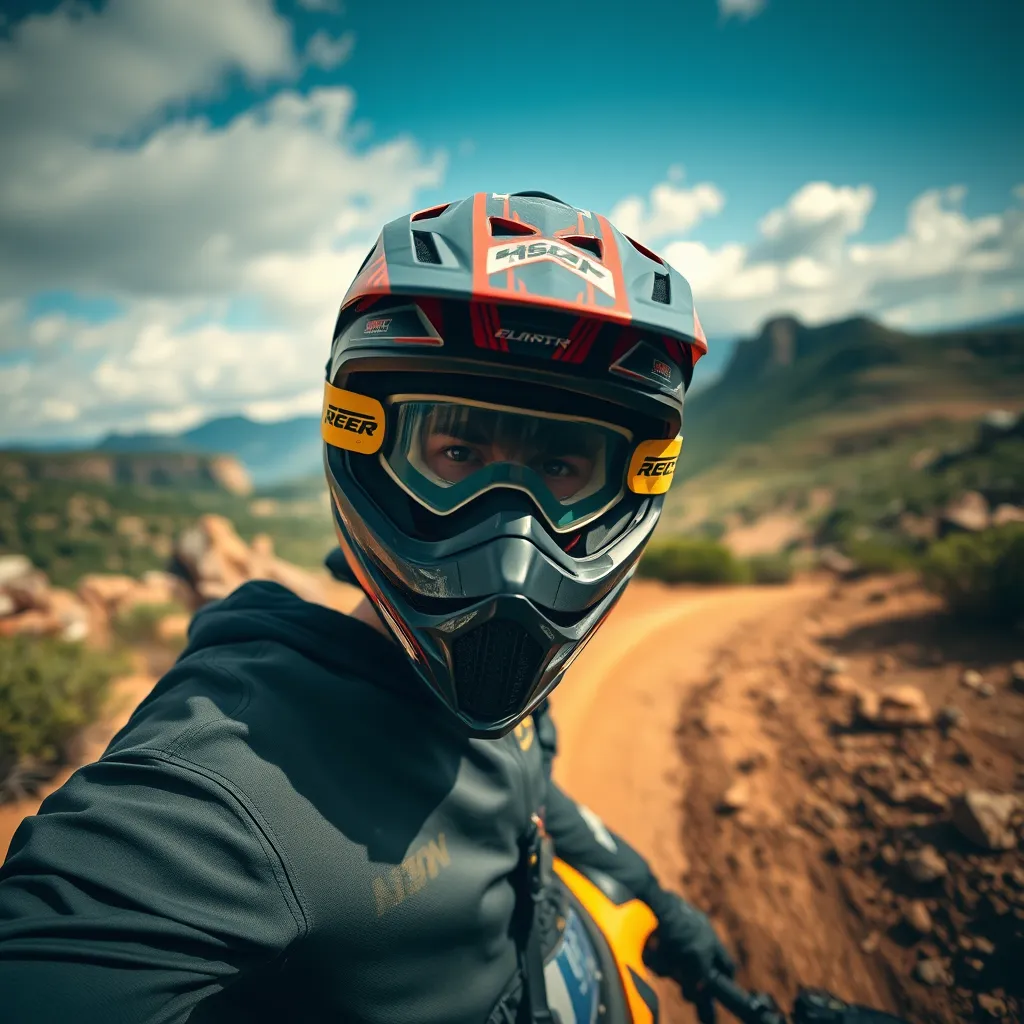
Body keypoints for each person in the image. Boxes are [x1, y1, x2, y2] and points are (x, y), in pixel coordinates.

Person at [0, 191, 734, 1023]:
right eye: (457, 451)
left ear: (624, 489)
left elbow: (525, 783)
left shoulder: (492, 688)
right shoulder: (231, 777)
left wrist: (654, 901)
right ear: (370, 449)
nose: (513, 537)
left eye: (562, 470)